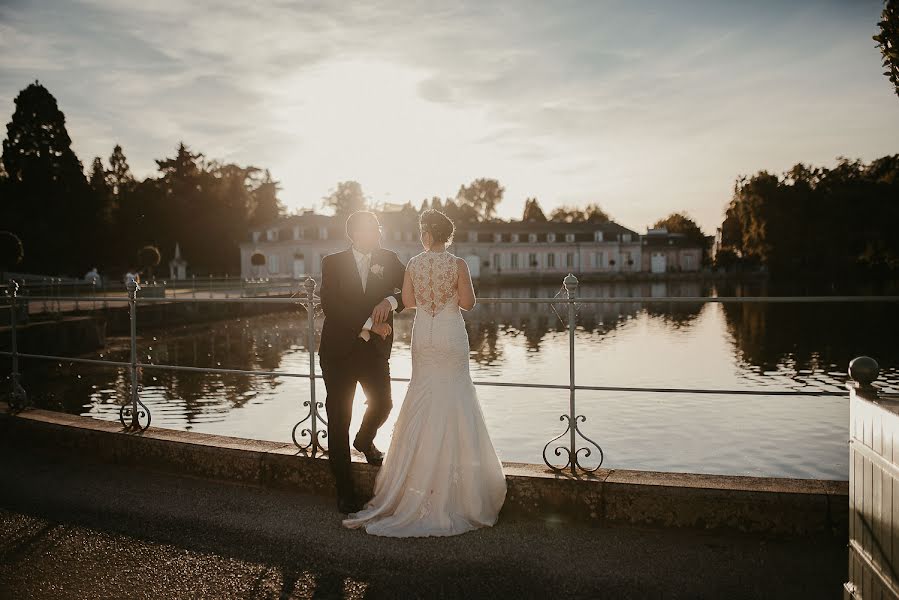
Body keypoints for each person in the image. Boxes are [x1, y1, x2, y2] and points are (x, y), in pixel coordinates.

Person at [341, 209, 507, 537]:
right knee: (457, 398)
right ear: (446, 235)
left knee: (422, 394)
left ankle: (415, 484)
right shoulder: (458, 264)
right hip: (450, 333)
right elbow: (468, 302)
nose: (420, 236)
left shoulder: (414, 264)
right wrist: (447, 298)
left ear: (428, 234)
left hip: (424, 336)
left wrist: (427, 299)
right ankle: (460, 490)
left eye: (422, 231)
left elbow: (407, 300)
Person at [318, 211, 406, 514]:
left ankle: (365, 440)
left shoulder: (390, 259)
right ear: (354, 233)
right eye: (371, 229)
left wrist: (391, 302)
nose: (377, 234)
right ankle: (345, 491)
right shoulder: (333, 262)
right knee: (339, 418)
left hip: (373, 353)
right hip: (338, 351)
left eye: (378, 229)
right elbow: (330, 304)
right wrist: (370, 323)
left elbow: (410, 289)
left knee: (384, 403)